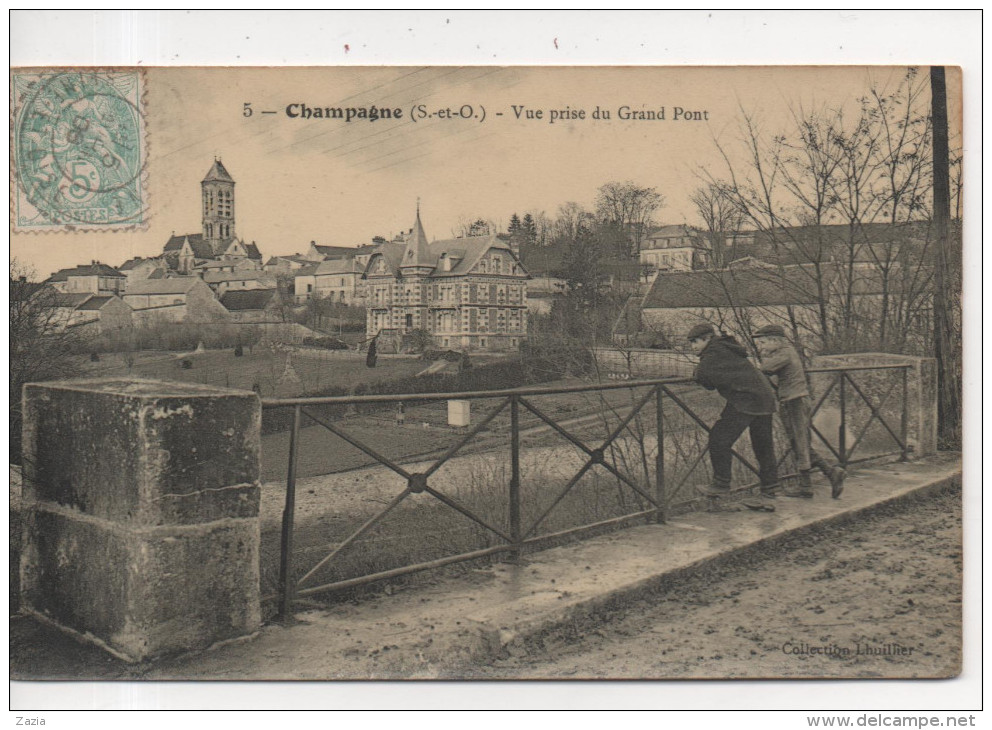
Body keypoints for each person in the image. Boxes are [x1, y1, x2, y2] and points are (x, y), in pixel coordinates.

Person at [687, 323, 779, 512]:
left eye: (695, 342)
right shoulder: (728, 347)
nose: (692, 347)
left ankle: (721, 483)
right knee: (763, 445)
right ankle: (769, 490)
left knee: (719, 438)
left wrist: (696, 372)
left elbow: (705, 377)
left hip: (746, 400)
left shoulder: (714, 352)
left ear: (707, 338)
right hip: (763, 397)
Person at [753, 324, 846, 499]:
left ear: (775, 340)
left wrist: (763, 358)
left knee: (800, 443)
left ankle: (809, 484)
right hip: (794, 399)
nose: (761, 347)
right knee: (798, 443)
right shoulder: (786, 352)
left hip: (794, 401)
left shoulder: (784, 353)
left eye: (764, 342)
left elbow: (764, 369)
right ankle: (829, 474)